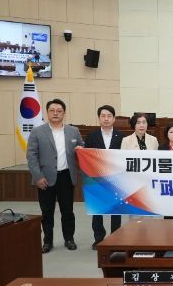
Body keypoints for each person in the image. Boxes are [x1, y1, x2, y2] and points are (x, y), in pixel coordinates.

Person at [26, 99, 84, 253]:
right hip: (45, 178)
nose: (55, 113)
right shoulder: (37, 131)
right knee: (47, 212)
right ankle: (47, 241)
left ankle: (69, 239)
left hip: (66, 176)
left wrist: (80, 148)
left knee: (68, 211)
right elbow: (31, 156)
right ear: (47, 113)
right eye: (52, 110)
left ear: (64, 113)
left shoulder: (73, 131)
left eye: (59, 110)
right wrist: (37, 176)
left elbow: (81, 146)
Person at [84, 105, 124, 249]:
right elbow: (87, 156)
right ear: (99, 118)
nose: (106, 119)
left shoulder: (121, 136)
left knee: (116, 210)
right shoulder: (91, 136)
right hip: (96, 177)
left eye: (109, 116)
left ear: (114, 119)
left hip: (116, 178)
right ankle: (98, 238)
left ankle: (115, 238)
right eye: (103, 116)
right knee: (97, 209)